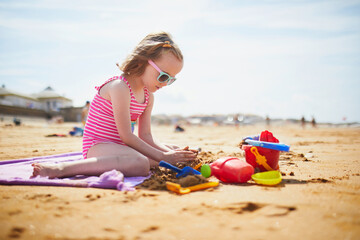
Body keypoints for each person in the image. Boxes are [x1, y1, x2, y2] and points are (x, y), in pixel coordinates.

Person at [32, 32, 197, 179]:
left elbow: (145, 136)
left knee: (173, 150)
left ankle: (167, 155)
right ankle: (60, 169)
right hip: (98, 146)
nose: (166, 84)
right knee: (141, 163)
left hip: (120, 148)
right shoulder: (120, 87)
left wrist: (170, 154)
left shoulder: (149, 97)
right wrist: (164, 157)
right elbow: (127, 136)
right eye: (163, 77)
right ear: (142, 63)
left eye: (171, 79)